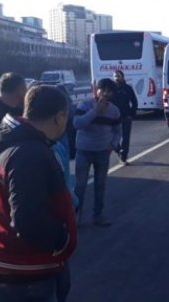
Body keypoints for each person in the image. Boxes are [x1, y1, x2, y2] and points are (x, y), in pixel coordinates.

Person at [0, 85, 77, 302]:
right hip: (24, 271)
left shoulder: (13, 144)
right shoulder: (30, 153)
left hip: (8, 262)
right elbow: (27, 219)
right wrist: (61, 240)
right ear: (59, 117)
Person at [73, 78, 121, 227]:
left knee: (100, 185)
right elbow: (77, 124)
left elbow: (118, 131)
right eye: (103, 90)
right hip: (84, 151)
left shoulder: (114, 110)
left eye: (110, 91)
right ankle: (75, 218)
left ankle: (98, 216)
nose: (106, 94)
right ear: (96, 91)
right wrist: (95, 111)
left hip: (102, 152)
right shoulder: (85, 105)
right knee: (80, 186)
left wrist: (112, 145)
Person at [111, 70, 138, 165]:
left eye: (118, 76)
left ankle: (123, 157)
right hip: (113, 118)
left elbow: (134, 102)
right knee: (111, 138)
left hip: (126, 117)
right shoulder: (111, 90)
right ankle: (119, 150)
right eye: (115, 76)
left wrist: (131, 114)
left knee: (125, 138)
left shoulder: (128, 88)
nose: (117, 78)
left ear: (122, 77)